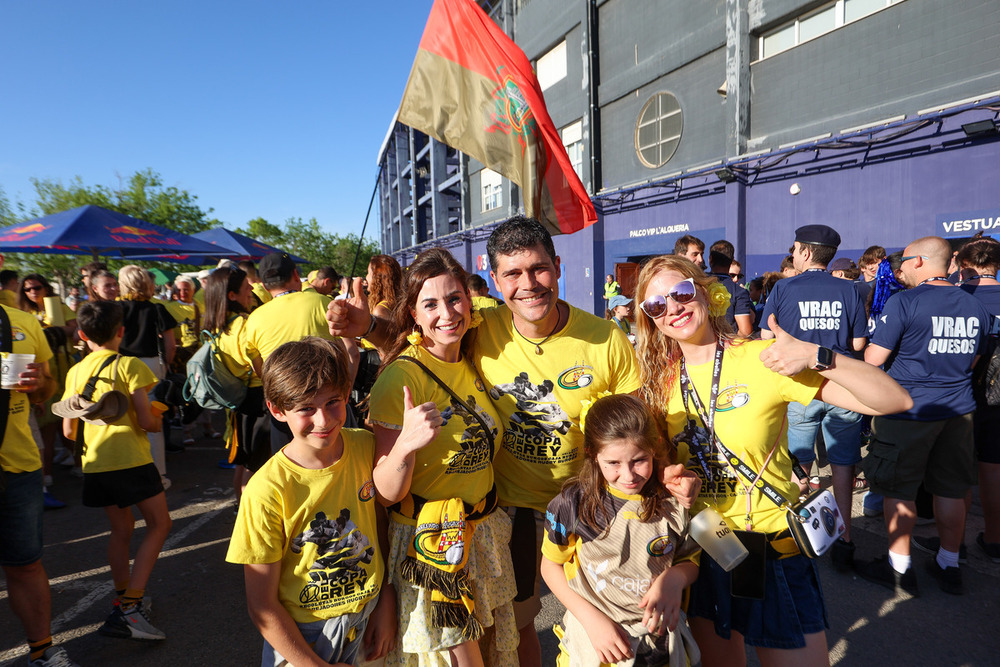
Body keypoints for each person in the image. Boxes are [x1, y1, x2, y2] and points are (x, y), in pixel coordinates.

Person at [327, 217, 695, 667]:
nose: (529, 284)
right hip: (512, 510)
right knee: (518, 627)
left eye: (539, 269)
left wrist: (665, 471)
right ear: (496, 279)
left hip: (596, 502)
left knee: (615, 614)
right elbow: (428, 339)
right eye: (513, 274)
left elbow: (639, 427)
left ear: (557, 267)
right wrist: (367, 326)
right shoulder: (484, 323)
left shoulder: (605, 339)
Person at [635, 255, 911, 666]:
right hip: (705, 552)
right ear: (649, 319)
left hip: (775, 552)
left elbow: (894, 400)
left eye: (680, 293)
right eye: (656, 305)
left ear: (706, 292)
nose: (671, 308)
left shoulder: (765, 359)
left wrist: (818, 354)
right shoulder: (656, 383)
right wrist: (668, 475)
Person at [368, 247, 516, 666]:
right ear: (413, 314)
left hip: (483, 535)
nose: (446, 313)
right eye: (429, 304)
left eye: (454, 299)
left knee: (491, 652)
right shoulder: (403, 376)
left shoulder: (472, 359)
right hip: (432, 545)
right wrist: (406, 444)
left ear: (470, 302)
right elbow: (385, 492)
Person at [226, 337, 395, 666]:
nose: (324, 420)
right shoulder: (267, 489)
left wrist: (386, 604)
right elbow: (262, 605)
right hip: (302, 640)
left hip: (369, 618)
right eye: (305, 408)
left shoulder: (365, 447)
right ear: (277, 409)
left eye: (333, 402)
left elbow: (381, 527)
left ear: (347, 394)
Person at [860, 236, 991, 596]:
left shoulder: (905, 301)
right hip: (958, 410)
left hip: (908, 409)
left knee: (898, 489)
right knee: (951, 488)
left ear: (920, 261)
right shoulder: (974, 306)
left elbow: (873, 359)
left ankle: (899, 569)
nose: (898, 269)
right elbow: (974, 361)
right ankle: (949, 563)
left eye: (903, 261)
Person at [540, 395, 701, 666]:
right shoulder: (572, 503)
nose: (628, 475)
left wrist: (675, 578)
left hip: (658, 638)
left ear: (655, 447)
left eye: (639, 460)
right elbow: (550, 567)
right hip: (596, 640)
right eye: (613, 463)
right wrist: (591, 620)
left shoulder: (674, 500)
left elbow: (691, 558)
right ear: (592, 452)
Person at [57, 301, 172, 640]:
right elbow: (147, 421)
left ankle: (124, 596)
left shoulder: (75, 371)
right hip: (131, 460)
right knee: (160, 524)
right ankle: (130, 607)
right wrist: (158, 414)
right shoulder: (130, 365)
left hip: (96, 462)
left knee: (120, 529)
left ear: (81, 334)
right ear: (121, 331)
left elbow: (67, 432)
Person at [760, 224, 869, 572]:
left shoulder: (784, 288)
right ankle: (844, 541)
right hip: (840, 386)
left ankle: (793, 534)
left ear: (805, 253)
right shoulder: (851, 291)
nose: (792, 254)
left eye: (794, 248)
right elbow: (857, 345)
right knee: (842, 462)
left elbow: (766, 337)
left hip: (798, 388)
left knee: (797, 461)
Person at [0, 258, 77, 667]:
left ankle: (43, 653)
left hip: (18, 464)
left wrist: (37, 384)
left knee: (26, 565)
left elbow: (46, 386)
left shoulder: (21, 323)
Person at [244, 252, 358, 452]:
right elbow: (352, 353)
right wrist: (342, 392)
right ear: (296, 276)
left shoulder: (253, 319)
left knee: (292, 469)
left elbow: (259, 370)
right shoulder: (323, 304)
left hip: (287, 410)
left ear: (263, 285)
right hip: (330, 406)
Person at [202, 266, 267, 499]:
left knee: (243, 463)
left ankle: (239, 509)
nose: (252, 288)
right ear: (232, 295)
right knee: (255, 466)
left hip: (237, 403)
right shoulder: (243, 325)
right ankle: (246, 517)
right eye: (246, 286)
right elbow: (260, 367)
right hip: (255, 401)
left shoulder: (218, 325)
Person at [954, 238, 1000, 562]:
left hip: (971, 393)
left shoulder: (960, 298)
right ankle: (995, 540)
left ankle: (953, 544)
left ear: (964, 264)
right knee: (992, 469)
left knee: (959, 472)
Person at [117, 265, 177, 489]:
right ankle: (158, 475)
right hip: (150, 364)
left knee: (124, 418)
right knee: (153, 419)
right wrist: (167, 366)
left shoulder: (115, 309)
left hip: (120, 364)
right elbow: (170, 345)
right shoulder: (157, 309)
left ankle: (127, 472)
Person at [707, 240, 753, 337]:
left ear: (710, 259)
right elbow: (745, 332)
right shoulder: (739, 292)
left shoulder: (697, 284)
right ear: (731, 260)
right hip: (725, 348)